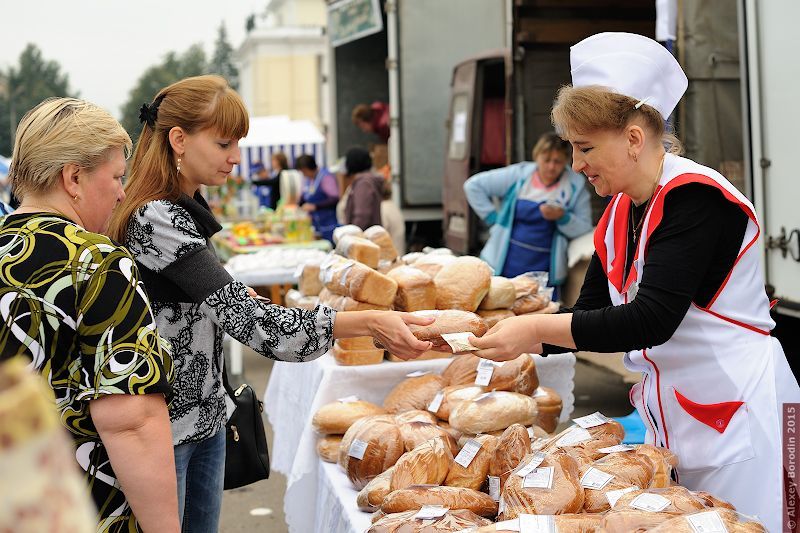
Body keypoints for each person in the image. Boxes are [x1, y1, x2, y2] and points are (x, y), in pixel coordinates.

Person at [468, 33, 799, 529]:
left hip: (744, 420)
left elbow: (650, 320)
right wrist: (488, 332)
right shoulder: (620, 211)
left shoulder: (695, 199)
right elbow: (589, 320)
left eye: (584, 148)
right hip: (681, 421)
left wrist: (535, 332)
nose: (577, 166)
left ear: (634, 139)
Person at [107, 75, 435, 532]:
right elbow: (259, 328)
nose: (235, 157)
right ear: (178, 140)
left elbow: (202, 301)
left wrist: (230, 299)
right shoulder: (156, 215)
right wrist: (369, 321)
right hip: (168, 427)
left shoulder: (182, 205)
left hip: (201, 415)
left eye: (238, 143)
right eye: (224, 143)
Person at [0, 98, 178, 532]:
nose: (122, 192)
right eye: (116, 176)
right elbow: (131, 421)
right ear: (73, 178)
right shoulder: (96, 263)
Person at [464, 132, 592, 297]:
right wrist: (494, 219)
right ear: (537, 157)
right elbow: (473, 186)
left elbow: (584, 227)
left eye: (558, 161)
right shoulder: (519, 175)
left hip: (545, 267)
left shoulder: (574, 186)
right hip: (506, 261)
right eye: (546, 160)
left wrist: (563, 217)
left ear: (566, 162)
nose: (551, 167)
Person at [296, 154, 339, 242]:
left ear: (306, 168)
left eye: (303, 171)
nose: (303, 174)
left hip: (328, 225)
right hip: (315, 225)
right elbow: (304, 196)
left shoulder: (325, 177)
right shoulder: (308, 179)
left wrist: (315, 206)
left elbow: (334, 199)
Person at [340, 147, 386, 230]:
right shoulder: (367, 181)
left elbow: (362, 215)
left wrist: (352, 236)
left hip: (363, 238)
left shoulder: (363, 184)